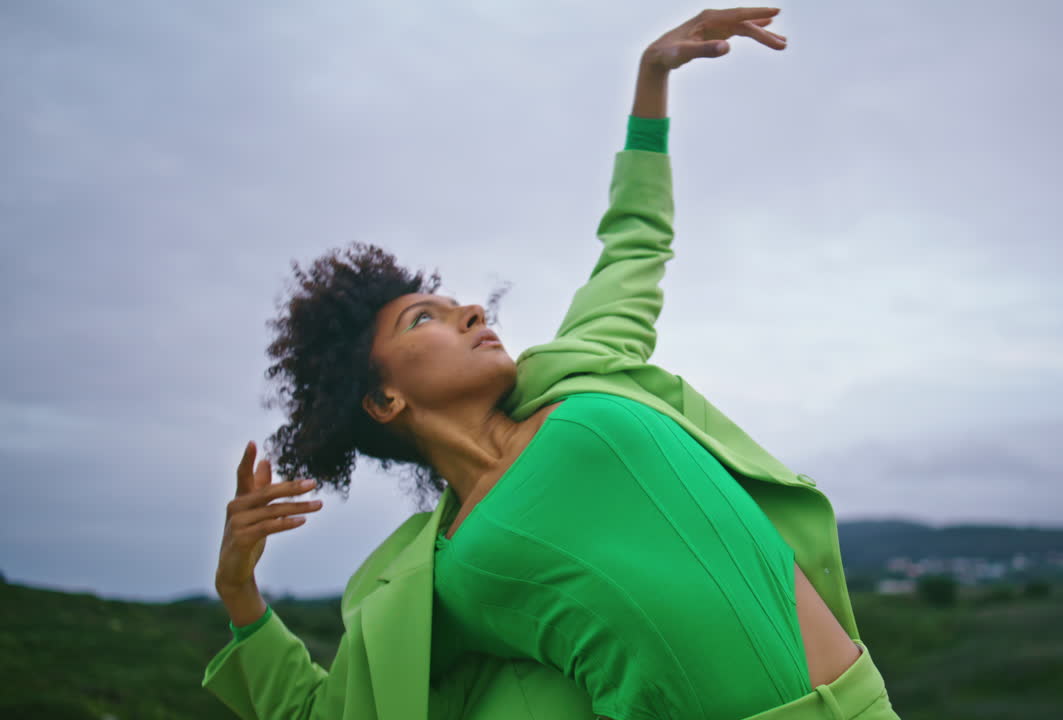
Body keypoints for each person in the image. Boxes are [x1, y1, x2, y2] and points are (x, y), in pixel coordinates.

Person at [203, 7, 899, 720]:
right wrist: (241, 599)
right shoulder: (438, 579)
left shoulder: (578, 371)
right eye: (425, 320)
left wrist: (651, 78)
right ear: (383, 400)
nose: (472, 312)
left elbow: (634, 241)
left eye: (459, 305)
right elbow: (335, 715)